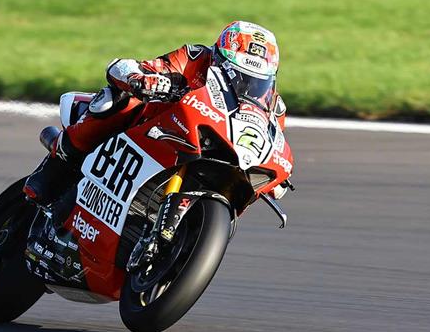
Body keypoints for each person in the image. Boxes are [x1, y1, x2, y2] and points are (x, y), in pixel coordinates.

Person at [23, 20, 286, 204]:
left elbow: (271, 143)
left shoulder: (274, 106)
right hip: (158, 128)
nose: (245, 85)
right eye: (236, 74)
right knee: (119, 101)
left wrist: (275, 178)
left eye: (255, 80)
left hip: (213, 155)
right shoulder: (195, 58)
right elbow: (125, 68)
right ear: (218, 58)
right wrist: (143, 79)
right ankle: (58, 164)